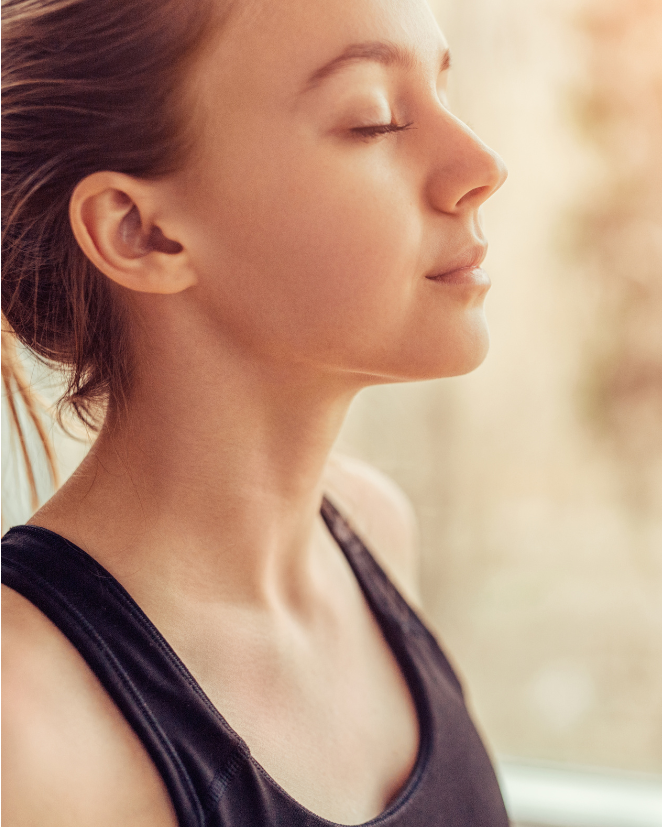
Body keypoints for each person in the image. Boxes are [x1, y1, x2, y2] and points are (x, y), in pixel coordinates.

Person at [1, 0, 508, 823]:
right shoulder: (23, 717)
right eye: (373, 120)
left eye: (447, 92)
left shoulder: (373, 529)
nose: (482, 164)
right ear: (140, 232)